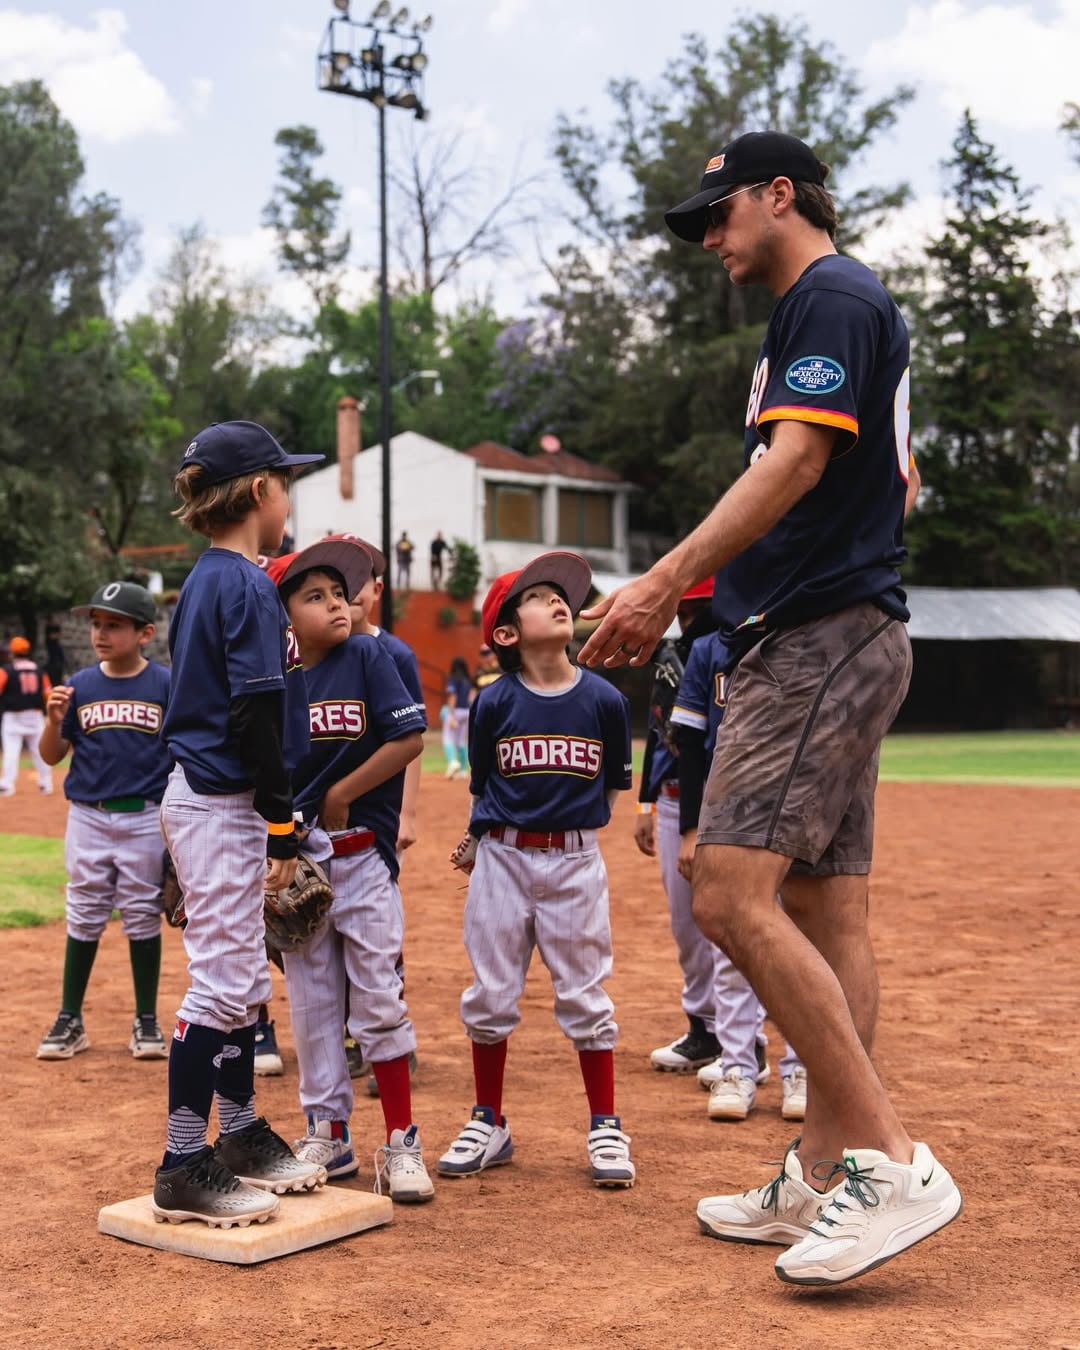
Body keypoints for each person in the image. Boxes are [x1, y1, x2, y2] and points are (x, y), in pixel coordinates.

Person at [578, 132, 959, 1284]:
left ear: (779, 194)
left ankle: (889, 1162)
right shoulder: (829, 308)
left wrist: (663, 582)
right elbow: (867, 480)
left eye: (720, 212)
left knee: (729, 891)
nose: (711, 237)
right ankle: (827, 1169)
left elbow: (792, 466)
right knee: (827, 910)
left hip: (816, 638)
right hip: (838, 630)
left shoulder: (828, 298)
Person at [152, 419, 328, 1227]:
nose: (287, 498)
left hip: (212, 798)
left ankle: (242, 1132)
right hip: (224, 799)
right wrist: (281, 822)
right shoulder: (246, 584)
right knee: (222, 984)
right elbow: (254, 712)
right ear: (259, 490)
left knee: (243, 983)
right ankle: (183, 1161)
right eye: (283, 483)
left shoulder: (210, 578)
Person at [438, 551, 636, 1189]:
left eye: (561, 596)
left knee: (585, 993)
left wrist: (572, 834)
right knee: (491, 992)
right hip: (502, 858)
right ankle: (488, 1120)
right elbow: (484, 785)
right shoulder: (494, 703)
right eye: (537, 597)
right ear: (506, 633)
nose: (557, 601)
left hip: (576, 861)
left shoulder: (605, 700)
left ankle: (604, 1123)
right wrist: (479, 839)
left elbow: (612, 788)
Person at [266, 539, 433, 1202]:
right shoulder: (276, 678)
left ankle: (401, 1141)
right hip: (301, 863)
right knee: (311, 1008)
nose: (337, 603)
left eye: (340, 592)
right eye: (315, 596)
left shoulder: (368, 655)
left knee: (379, 1002)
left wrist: (342, 792)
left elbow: (408, 738)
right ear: (283, 616)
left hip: (362, 856)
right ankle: (328, 1134)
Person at [670, 627, 806, 1123]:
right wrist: (690, 829)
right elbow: (689, 742)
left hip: (798, 801)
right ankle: (736, 1066)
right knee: (732, 942)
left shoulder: (809, 634)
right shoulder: (712, 648)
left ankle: (802, 1068)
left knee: (803, 940)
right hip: (727, 805)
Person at [35, 582, 171, 1061]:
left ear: (145, 633)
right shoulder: (80, 685)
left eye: (114, 624)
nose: (100, 633)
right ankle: (70, 1017)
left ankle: (146, 1018)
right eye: (96, 624)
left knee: (141, 912)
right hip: (88, 817)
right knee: (85, 909)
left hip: (146, 815)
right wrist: (53, 721)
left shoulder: (165, 685)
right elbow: (52, 756)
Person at [634, 579, 727, 1073]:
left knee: (730, 923)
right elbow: (659, 732)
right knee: (686, 924)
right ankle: (704, 1029)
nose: (686, 624)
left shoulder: (730, 653)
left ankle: (743, 1037)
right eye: (682, 613)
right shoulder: (672, 659)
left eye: (695, 613)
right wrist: (645, 804)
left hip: (726, 803)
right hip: (672, 802)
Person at [0, 636, 53, 796]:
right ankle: (46, 783)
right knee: (39, 751)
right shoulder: (39, 671)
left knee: (11, 751)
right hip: (35, 715)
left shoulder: (6, 670)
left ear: (12, 653)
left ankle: (7, 784)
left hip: (13, 716)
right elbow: (48, 694)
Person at [444, 657, 472, 780]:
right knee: (461, 741)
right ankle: (463, 770)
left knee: (448, 738)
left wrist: (450, 714)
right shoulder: (467, 680)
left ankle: (452, 762)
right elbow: (471, 697)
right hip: (467, 711)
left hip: (456, 711)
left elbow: (453, 696)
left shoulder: (453, 678)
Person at [44, 619, 66, 687]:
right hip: (52, 666)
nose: (55, 635)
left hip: (58, 666)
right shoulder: (49, 644)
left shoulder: (58, 646)